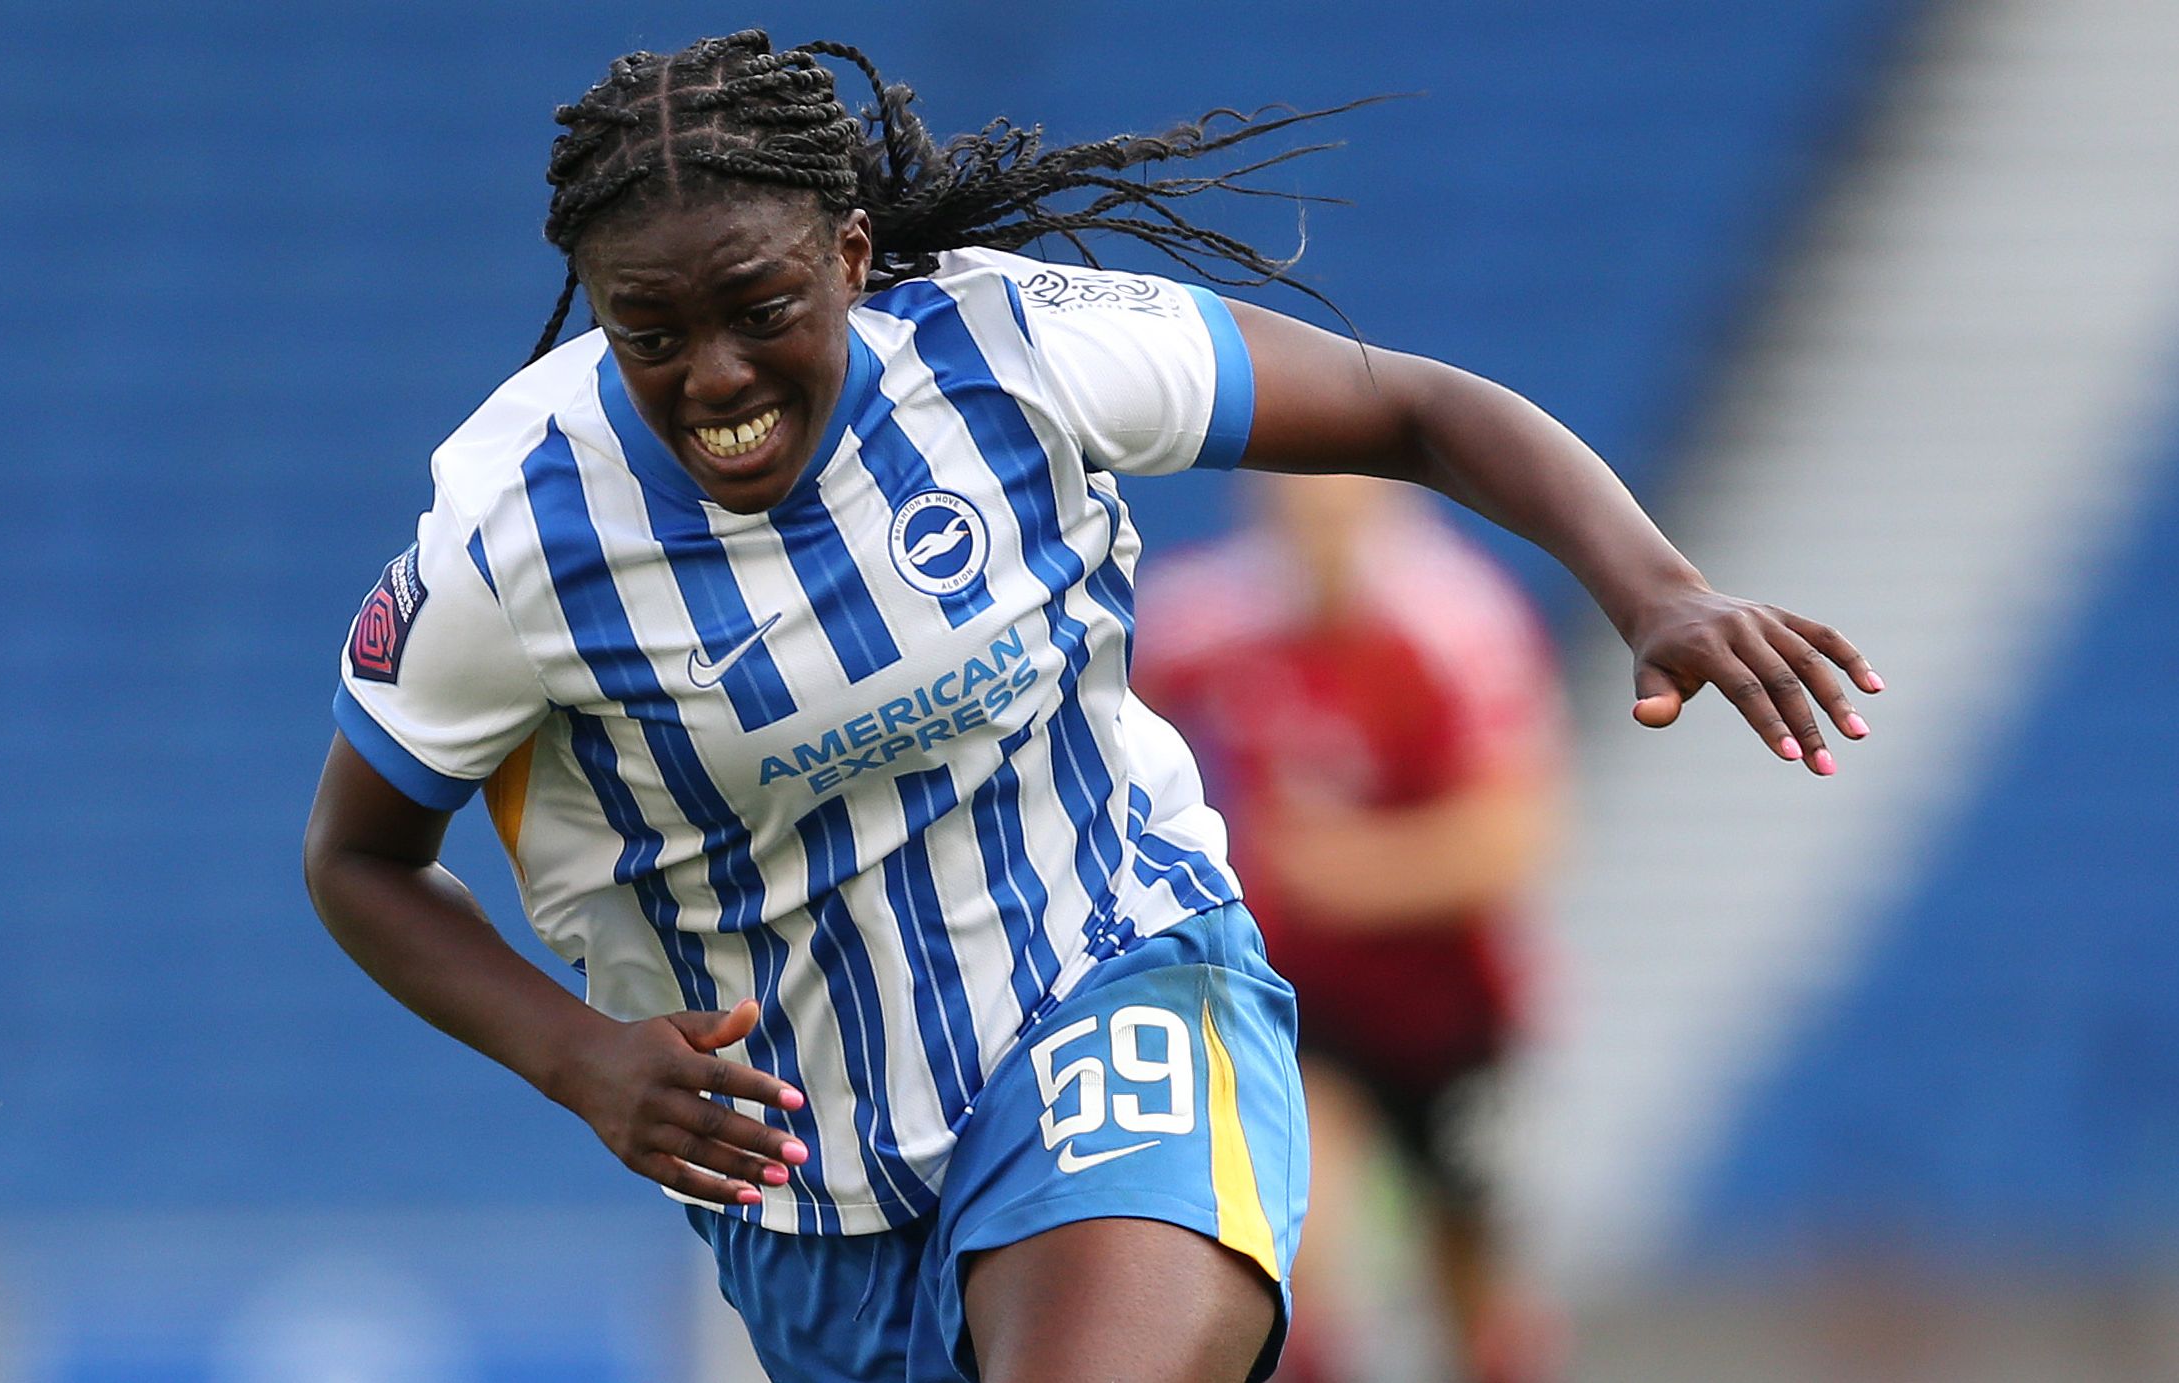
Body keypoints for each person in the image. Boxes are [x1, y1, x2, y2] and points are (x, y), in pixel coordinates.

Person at [301, 31, 1879, 1383]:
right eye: (647, 335)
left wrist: (1656, 587)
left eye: (758, 308)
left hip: (1114, 973)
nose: (712, 374)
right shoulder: (509, 536)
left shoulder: (1005, 349)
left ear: (849, 255)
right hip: (806, 1175)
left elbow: (1407, 403)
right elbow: (358, 860)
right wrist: (581, 1056)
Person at [1136, 475, 1567, 1383]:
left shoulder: (1454, 628)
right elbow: (1099, 718)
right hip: (1304, 994)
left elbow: (1514, 836)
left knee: (1473, 1278)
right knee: (1300, 1237)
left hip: (1450, 1004)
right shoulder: (1213, 617)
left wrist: (1349, 871)